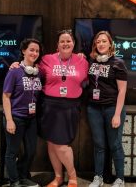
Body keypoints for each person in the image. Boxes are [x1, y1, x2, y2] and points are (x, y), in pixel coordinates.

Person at [10, 29, 88, 187]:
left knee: (62, 145)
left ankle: (72, 175)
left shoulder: (82, 61)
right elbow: (29, 67)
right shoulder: (47, 59)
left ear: (74, 44)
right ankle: (58, 177)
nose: (65, 43)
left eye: (68, 41)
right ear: (57, 45)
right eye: (62, 41)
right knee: (51, 144)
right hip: (49, 106)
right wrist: (17, 64)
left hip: (70, 107)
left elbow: (87, 80)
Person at [87, 31, 127, 187]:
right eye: (98, 42)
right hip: (94, 109)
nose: (101, 44)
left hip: (112, 108)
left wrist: (117, 114)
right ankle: (98, 177)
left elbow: (122, 91)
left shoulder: (118, 63)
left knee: (115, 144)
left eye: (104, 41)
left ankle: (120, 179)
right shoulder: (91, 61)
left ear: (110, 44)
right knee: (98, 144)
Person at [2, 38, 43, 187]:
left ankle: (22, 175)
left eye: (37, 51)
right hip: (16, 117)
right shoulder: (14, 71)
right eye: (31, 50)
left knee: (31, 151)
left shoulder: (38, 73)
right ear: (23, 51)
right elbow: (6, 96)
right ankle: (14, 181)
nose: (34, 53)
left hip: (31, 119)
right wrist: (9, 120)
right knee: (12, 152)